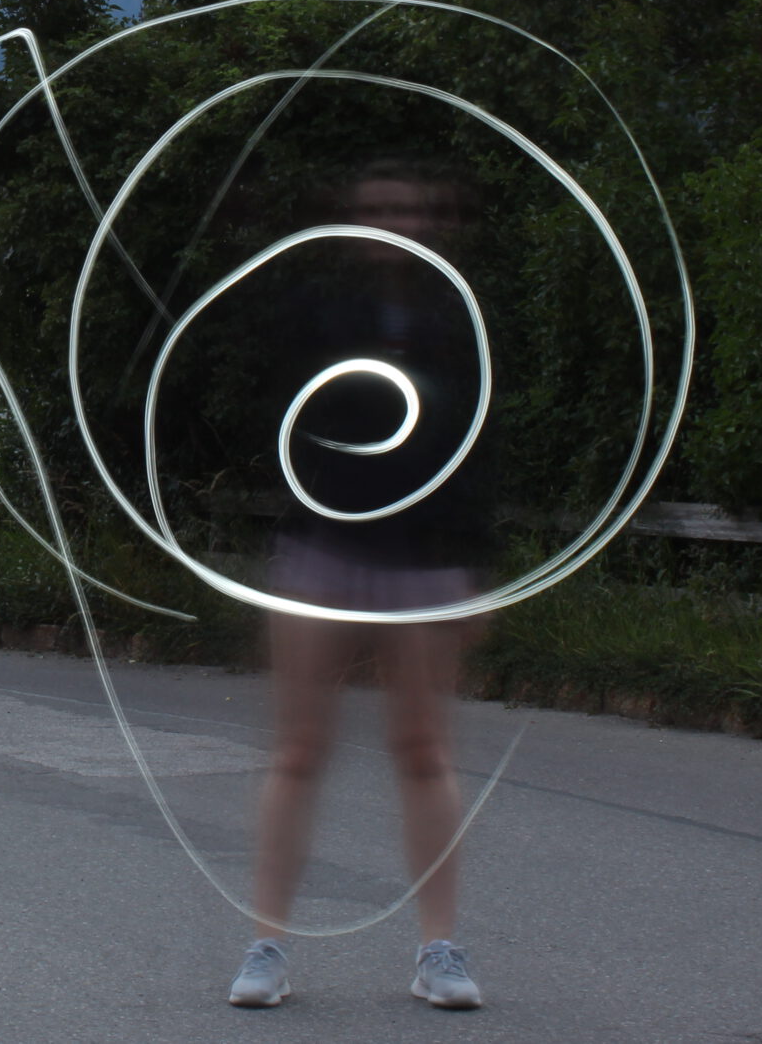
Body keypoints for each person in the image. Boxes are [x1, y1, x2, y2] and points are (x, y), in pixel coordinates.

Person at [228, 163, 489, 1011]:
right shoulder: (315, 312)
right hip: (323, 548)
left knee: (424, 748)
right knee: (298, 749)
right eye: (373, 208)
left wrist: (474, 564)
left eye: (403, 209)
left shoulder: (456, 319)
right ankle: (267, 945)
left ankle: (439, 950)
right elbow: (279, 421)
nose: (389, 223)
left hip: (423, 557)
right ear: (350, 220)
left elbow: (478, 441)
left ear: (430, 221)